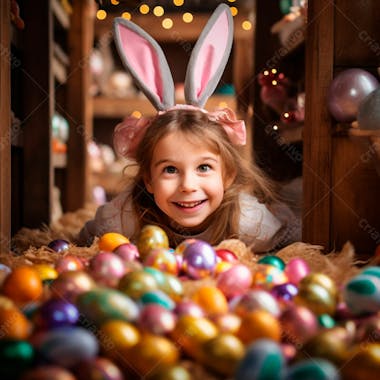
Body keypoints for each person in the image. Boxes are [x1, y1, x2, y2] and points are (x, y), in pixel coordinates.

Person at [79, 4, 301, 251]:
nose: (188, 185)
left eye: (204, 167)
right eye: (170, 169)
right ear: (148, 179)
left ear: (227, 175)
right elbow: (87, 238)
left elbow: (293, 241)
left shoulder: (248, 221)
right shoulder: (124, 219)